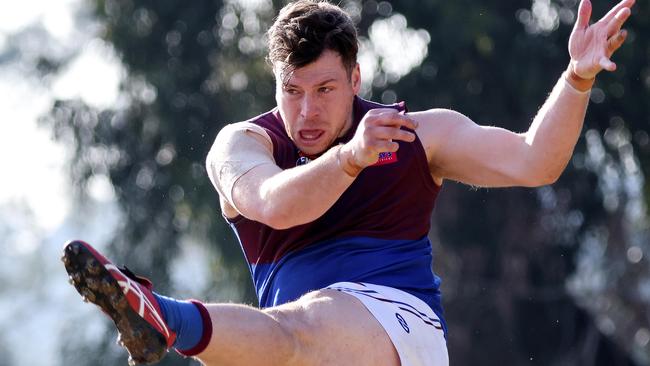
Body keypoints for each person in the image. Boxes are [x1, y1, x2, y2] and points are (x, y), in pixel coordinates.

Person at [62, 0, 635, 365]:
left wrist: (578, 78)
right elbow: (274, 205)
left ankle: (164, 318)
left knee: (304, 326)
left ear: (356, 77)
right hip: (288, 346)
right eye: (292, 91)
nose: (306, 112)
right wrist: (349, 160)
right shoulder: (241, 146)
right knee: (289, 333)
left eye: (325, 90)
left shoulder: (415, 136)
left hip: (394, 325)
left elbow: (534, 161)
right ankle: (164, 319)